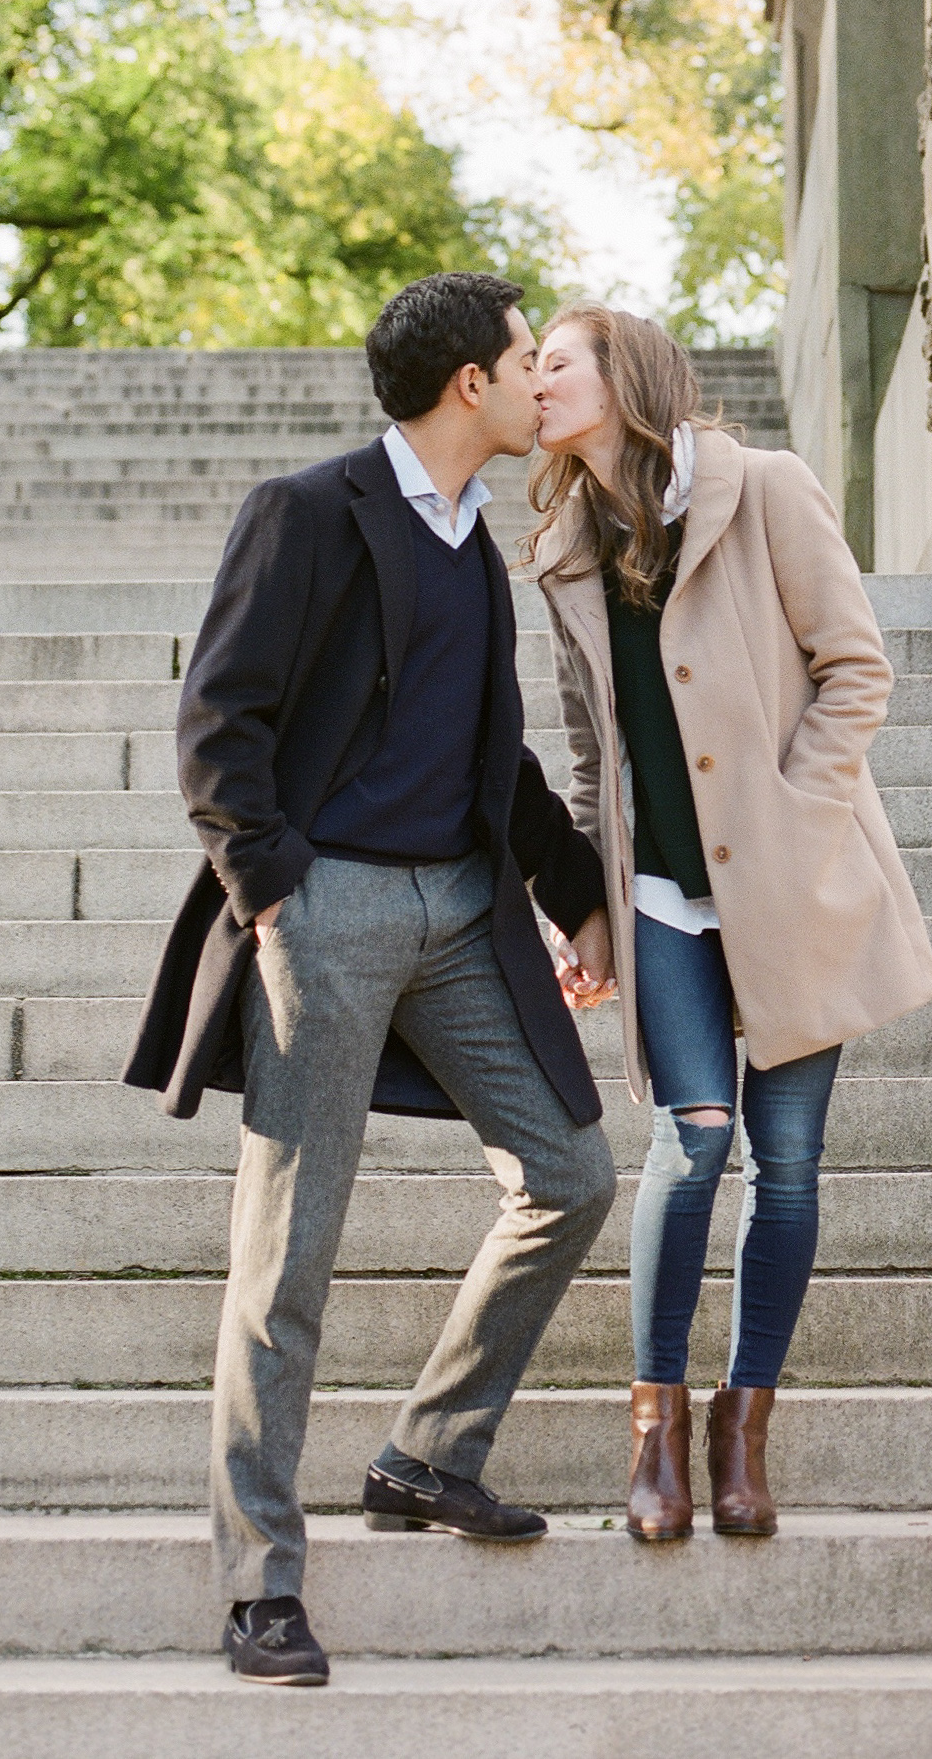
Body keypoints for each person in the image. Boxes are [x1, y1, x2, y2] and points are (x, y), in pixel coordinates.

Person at [124, 272, 616, 1686]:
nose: (541, 381)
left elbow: (495, 762)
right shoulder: (308, 511)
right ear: (469, 381)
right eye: (527, 360)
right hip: (323, 908)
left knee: (570, 1174)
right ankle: (258, 1580)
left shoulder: (473, 543)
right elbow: (219, 720)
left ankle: (426, 1453)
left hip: (463, 914)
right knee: (286, 1257)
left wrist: (573, 900)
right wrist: (272, 893)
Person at [530, 305, 932, 1543]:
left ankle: (742, 1420)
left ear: (623, 379)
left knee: (794, 1166)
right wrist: (588, 914)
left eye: (555, 363)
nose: (532, 383)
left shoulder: (764, 488)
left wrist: (796, 819)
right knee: (695, 1136)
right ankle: (653, 1424)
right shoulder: (560, 547)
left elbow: (856, 666)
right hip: (655, 894)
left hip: (796, 882)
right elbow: (591, 748)